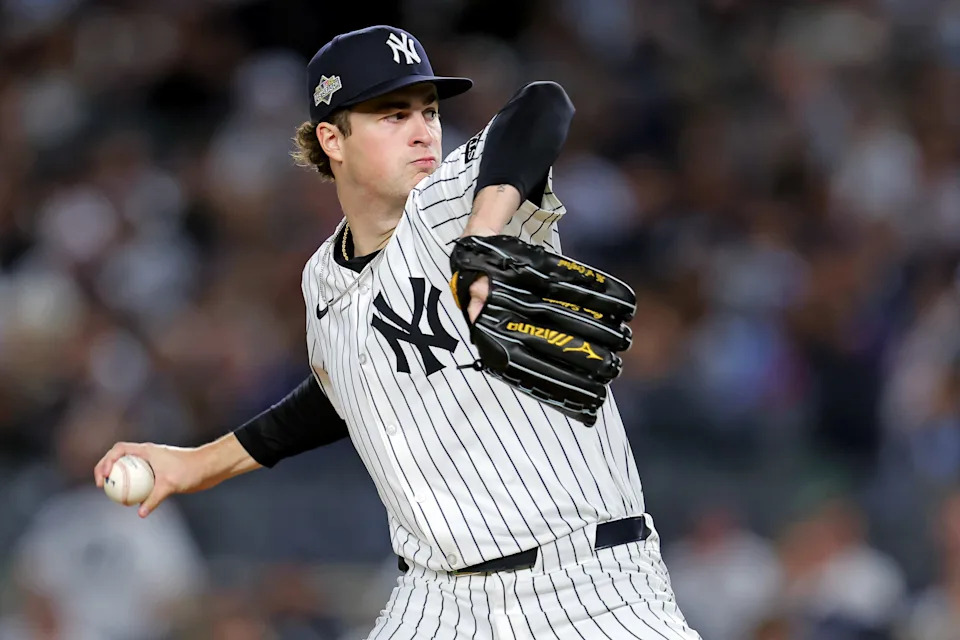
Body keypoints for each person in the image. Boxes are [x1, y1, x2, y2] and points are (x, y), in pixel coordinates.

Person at [94, 25, 702, 639]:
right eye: (391, 115)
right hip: (435, 601)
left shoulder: (455, 197)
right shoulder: (321, 281)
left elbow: (543, 104)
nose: (422, 131)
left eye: (429, 111)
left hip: (586, 584)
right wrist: (197, 463)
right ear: (332, 138)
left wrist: (485, 231)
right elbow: (340, 393)